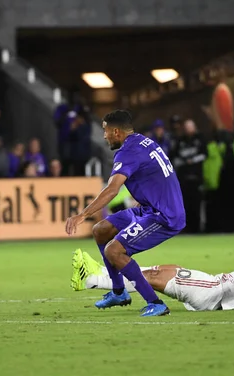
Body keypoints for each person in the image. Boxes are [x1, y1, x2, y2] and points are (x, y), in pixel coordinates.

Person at [65, 109, 186, 317]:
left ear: (116, 132)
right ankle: (119, 291)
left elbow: (112, 189)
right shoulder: (142, 142)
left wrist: (82, 214)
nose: (104, 136)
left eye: (105, 131)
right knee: (101, 230)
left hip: (164, 216)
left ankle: (156, 303)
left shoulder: (128, 152)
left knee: (114, 251)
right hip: (149, 209)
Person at [71, 218, 234, 311]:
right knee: (164, 269)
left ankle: (93, 279)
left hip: (213, 291)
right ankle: (101, 274)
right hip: (214, 289)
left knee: (153, 276)